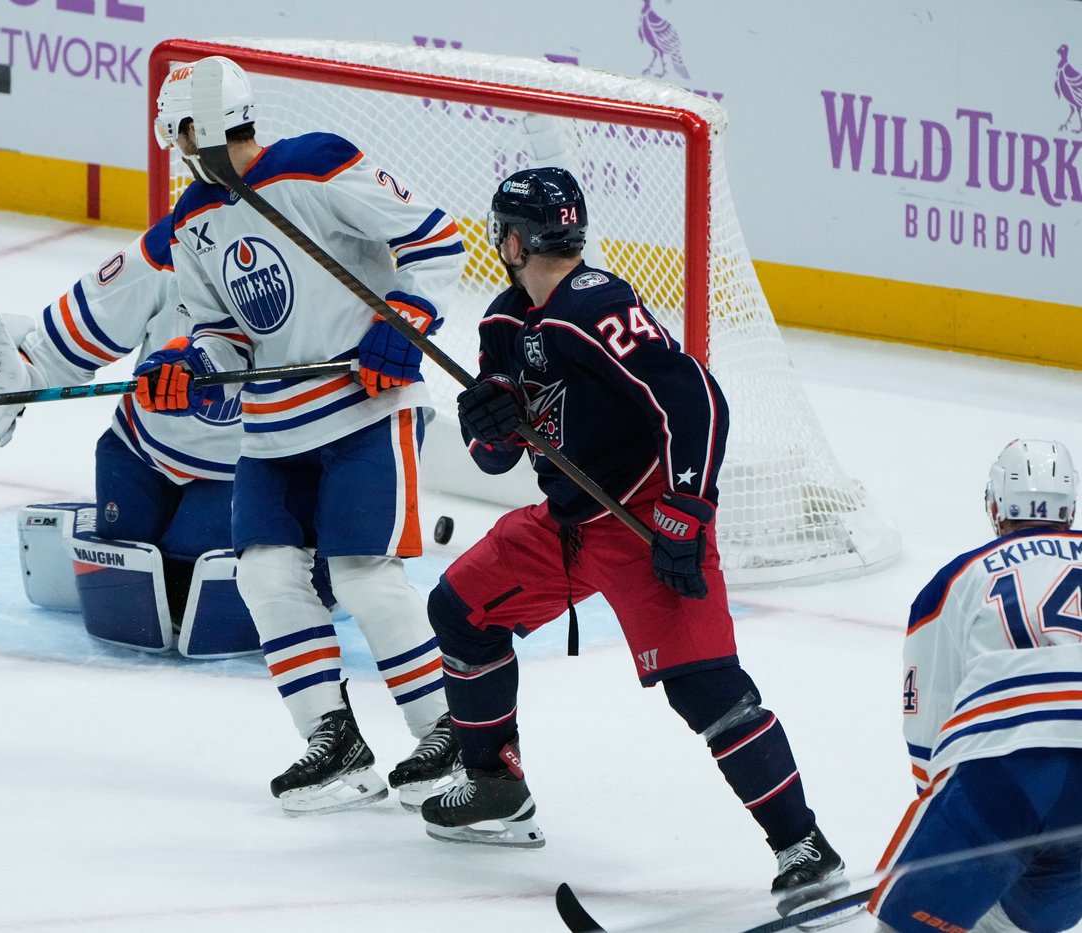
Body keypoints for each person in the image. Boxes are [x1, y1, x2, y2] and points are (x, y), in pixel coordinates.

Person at [419, 166, 848, 915]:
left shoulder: (598, 306)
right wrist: (487, 423)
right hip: (568, 524)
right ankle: (495, 781)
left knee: (709, 691)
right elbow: (501, 456)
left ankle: (803, 845)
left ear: (514, 239)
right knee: (462, 607)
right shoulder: (499, 323)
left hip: (645, 523)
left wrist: (688, 508)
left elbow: (698, 399)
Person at [136, 55, 463, 814]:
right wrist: (187, 366)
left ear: (202, 125)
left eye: (181, 127)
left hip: (363, 410)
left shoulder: (317, 164)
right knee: (265, 574)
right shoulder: (193, 220)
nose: (175, 141)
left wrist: (404, 324)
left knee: (361, 573)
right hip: (274, 425)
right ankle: (334, 741)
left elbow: (436, 241)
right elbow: (221, 334)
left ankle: (447, 729)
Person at [0, 215, 250, 640]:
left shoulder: (303, 264)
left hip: (242, 467)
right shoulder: (171, 246)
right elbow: (81, 327)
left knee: (189, 594)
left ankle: (321, 553)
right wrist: (24, 373)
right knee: (132, 593)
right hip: (139, 449)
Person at [869, 439, 1082, 933]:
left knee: (914, 926)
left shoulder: (957, 578)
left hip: (1006, 770)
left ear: (994, 506)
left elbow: (929, 715)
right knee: (1023, 923)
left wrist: (947, 821)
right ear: (1070, 508)